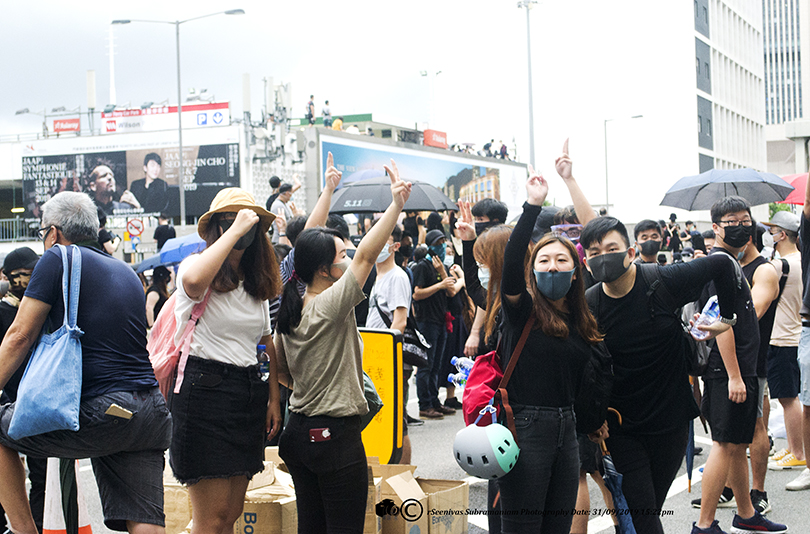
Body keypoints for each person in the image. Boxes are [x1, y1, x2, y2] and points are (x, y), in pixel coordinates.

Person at [0, 191, 171, 534]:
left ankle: (23, 531)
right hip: (150, 412)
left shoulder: (58, 257)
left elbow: (19, 336)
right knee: (146, 522)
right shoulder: (126, 272)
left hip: (105, 410)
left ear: (53, 232)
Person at [580, 214, 741, 534]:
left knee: (647, 508)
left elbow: (723, 263)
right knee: (643, 514)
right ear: (586, 263)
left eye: (611, 249)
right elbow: (581, 365)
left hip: (671, 422)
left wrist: (728, 317)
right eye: (594, 253)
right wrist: (589, 419)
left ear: (630, 253)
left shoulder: (663, 280)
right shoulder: (589, 304)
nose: (603, 258)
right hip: (621, 427)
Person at [275, 157, 411, 532]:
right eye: (341, 257)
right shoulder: (330, 305)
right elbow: (368, 254)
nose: (348, 260)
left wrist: (329, 190)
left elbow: (282, 373)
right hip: (335, 439)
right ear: (323, 270)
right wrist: (396, 204)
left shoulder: (289, 311)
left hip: (299, 435)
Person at [496, 169, 602, 533]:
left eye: (562, 260)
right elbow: (510, 265)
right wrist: (531, 206)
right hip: (525, 427)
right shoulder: (520, 310)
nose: (552, 266)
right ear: (533, 270)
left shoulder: (580, 318)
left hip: (567, 428)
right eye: (544, 261)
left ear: (576, 271)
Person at [170, 188, 282, 533]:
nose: (239, 228)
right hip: (205, 393)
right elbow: (191, 281)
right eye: (228, 221)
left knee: (231, 513)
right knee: (212, 517)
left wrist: (274, 398)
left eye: (246, 223)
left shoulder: (254, 283)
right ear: (216, 227)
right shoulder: (195, 268)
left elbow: (265, 342)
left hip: (247, 392)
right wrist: (236, 229)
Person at [691, 196, 787, 534]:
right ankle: (704, 524)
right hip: (728, 369)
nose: (741, 226)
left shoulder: (724, 263)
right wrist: (734, 375)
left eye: (745, 219)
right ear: (715, 227)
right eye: (731, 221)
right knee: (725, 444)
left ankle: (746, 513)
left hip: (736, 367)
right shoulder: (722, 265)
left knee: (735, 444)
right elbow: (721, 325)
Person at [0, 248, 46, 534]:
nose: (30, 277)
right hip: (7, 402)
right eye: (25, 273)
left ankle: (41, 525)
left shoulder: (40, 310)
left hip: (38, 403)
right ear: (9, 276)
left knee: (42, 474)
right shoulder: (3, 311)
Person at [738, 223, 781, 514]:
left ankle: (758, 491)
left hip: (753, 360)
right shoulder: (724, 264)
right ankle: (733, 487)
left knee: (754, 425)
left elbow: (753, 311)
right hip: (723, 361)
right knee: (727, 432)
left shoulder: (763, 269)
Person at [763, 212, 808, 487]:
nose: (770, 234)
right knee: (796, 397)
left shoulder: (780, 266)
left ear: (781, 234)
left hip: (781, 338)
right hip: (798, 335)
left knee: (787, 398)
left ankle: (798, 451)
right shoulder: (803, 261)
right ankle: (797, 449)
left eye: (773, 230)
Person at [365, 223, 416, 462]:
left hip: (390, 359)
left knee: (398, 419)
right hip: (377, 357)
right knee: (386, 418)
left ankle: (404, 475)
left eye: (383, 240)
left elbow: (400, 322)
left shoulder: (397, 276)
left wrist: (386, 356)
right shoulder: (377, 276)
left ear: (395, 246)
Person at [412, 228, 461, 419]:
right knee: (426, 364)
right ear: (431, 245)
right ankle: (424, 405)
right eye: (438, 243)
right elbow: (417, 293)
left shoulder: (440, 268)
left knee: (436, 365)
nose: (441, 246)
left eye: (444, 242)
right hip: (427, 321)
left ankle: (434, 401)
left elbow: (451, 292)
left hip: (441, 321)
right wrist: (439, 285)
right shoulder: (423, 266)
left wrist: (442, 273)